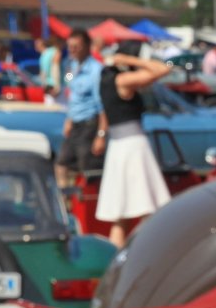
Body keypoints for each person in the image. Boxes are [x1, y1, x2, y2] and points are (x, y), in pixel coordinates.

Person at [95, 43, 173, 248]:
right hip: (133, 146)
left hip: (118, 146)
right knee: (146, 206)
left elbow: (103, 112)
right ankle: (146, 251)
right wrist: (129, 60)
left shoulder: (106, 79)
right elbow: (163, 69)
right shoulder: (123, 80)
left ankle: (118, 257)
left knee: (121, 215)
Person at [55, 32, 106, 188]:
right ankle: (65, 199)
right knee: (62, 163)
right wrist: (69, 119)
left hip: (89, 124)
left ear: (87, 46)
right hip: (75, 123)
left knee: (87, 168)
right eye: (70, 46)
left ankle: (88, 200)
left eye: (76, 47)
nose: (72, 50)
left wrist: (101, 135)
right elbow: (71, 93)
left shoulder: (96, 70)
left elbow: (102, 105)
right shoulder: (72, 66)